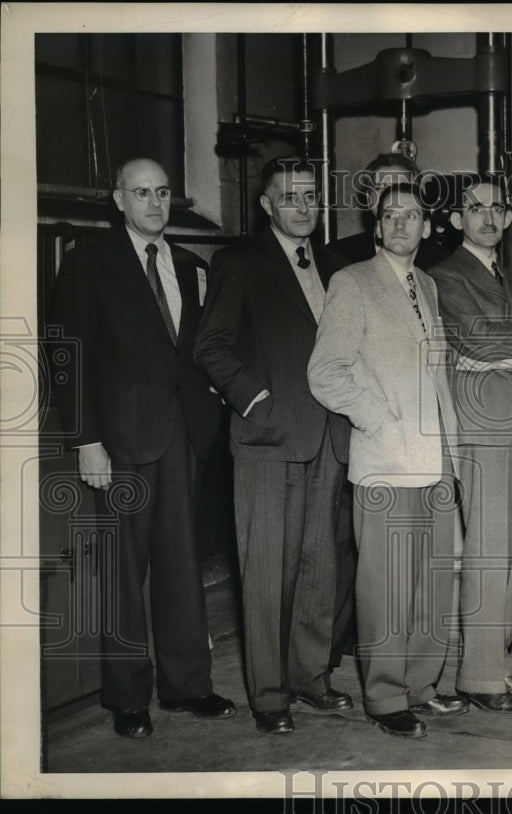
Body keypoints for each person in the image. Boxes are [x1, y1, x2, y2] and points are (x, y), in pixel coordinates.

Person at [48, 157, 235, 739]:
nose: (154, 203)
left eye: (162, 192)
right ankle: (128, 697)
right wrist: (87, 440)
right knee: (122, 572)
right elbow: (64, 354)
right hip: (120, 441)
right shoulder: (89, 265)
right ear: (118, 199)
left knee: (181, 564)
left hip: (183, 435)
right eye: (141, 193)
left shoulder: (186, 264)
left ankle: (187, 685)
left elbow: (193, 351)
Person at [193, 156, 355, 735]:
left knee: (319, 567)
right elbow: (210, 346)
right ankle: (268, 695)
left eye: (311, 195)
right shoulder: (238, 262)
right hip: (266, 440)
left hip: (329, 439)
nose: (303, 206)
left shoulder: (336, 267)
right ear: (266, 205)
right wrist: (255, 399)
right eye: (289, 197)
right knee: (266, 571)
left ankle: (310, 678)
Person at [308, 182, 469, 739]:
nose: (401, 223)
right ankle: (383, 697)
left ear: (428, 228)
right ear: (377, 227)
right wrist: (380, 418)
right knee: (385, 587)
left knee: (430, 585)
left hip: (434, 461)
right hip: (384, 463)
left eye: (412, 215)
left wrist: (452, 447)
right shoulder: (351, 283)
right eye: (390, 215)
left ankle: (422, 687)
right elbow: (326, 372)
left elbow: (438, 373)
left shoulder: (426, 284)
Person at [428, 176, 512, 714]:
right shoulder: (444, 275)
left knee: (510, 547)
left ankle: (499, 661)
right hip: (484, 421)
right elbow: (484, 341)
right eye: (474, 208)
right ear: (457, 220)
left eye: (496, 209)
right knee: (487, 547)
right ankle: (478, 677)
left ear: (507, 219)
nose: (486, 217)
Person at [325, 152, 453, 271]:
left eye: (400, 188)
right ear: (369, 199)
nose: (389, 196)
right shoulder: (338, 255)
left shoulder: (441, 261)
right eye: (380, 187)